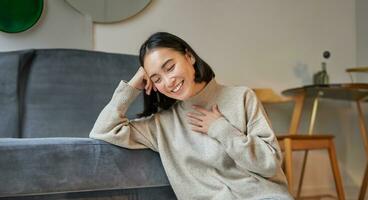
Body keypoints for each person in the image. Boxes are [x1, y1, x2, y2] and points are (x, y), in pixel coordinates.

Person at [90, 32, 292, 200]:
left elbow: (270, 164)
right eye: (156, 79)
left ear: (189, 57)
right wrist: (132, 86)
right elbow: (103, 130)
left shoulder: (241, 97)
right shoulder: (161, 125)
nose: (168, 82)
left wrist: (222, 130)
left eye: (170, 67)